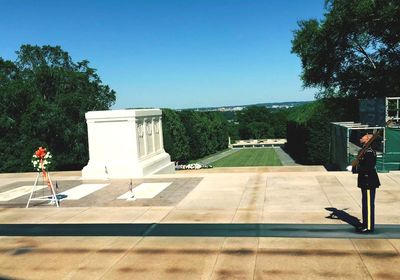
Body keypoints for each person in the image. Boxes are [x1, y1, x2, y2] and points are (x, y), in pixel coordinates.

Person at [350, 134, 381, 233]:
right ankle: (365, 223)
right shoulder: (364, 150)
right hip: (365, 181)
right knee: (365, 204)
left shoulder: (368, 152)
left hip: (369, 181)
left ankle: (368, 226)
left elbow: (368, 167)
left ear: (368, 139)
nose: (361, 138)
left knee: (368, 205)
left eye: (363, 137)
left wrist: (355, 169)